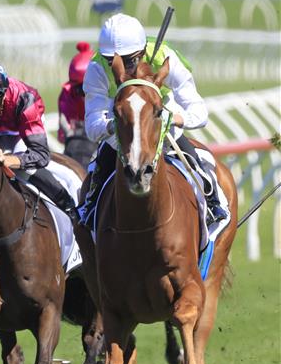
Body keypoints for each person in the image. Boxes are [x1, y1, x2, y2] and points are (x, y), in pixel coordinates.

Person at [81, 12, 227, 226]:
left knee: (199, 168)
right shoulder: (96, 68)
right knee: (95, 178)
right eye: (112, 61)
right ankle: (88, 210)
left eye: (129, 61)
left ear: (141, 52)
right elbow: (92, 125)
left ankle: (213, 204)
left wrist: (172, 118)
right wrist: (116, 124)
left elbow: (199, 112)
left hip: (163, 129)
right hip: (122, 135)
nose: (121, 67)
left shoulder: (164, 57)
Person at [0, 56, 81, 224]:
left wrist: (6, 159)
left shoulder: (24, 99)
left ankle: (68, 206)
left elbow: (40, 155)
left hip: (19, 131)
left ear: (2, 96)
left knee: (24, 169)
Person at [58, 41, 96, 168]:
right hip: (75, 141)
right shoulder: (68, 92)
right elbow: (64, 118)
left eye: (88, 89)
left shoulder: (106, 93)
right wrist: (68, 133)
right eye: (79, 89)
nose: (84, 95)